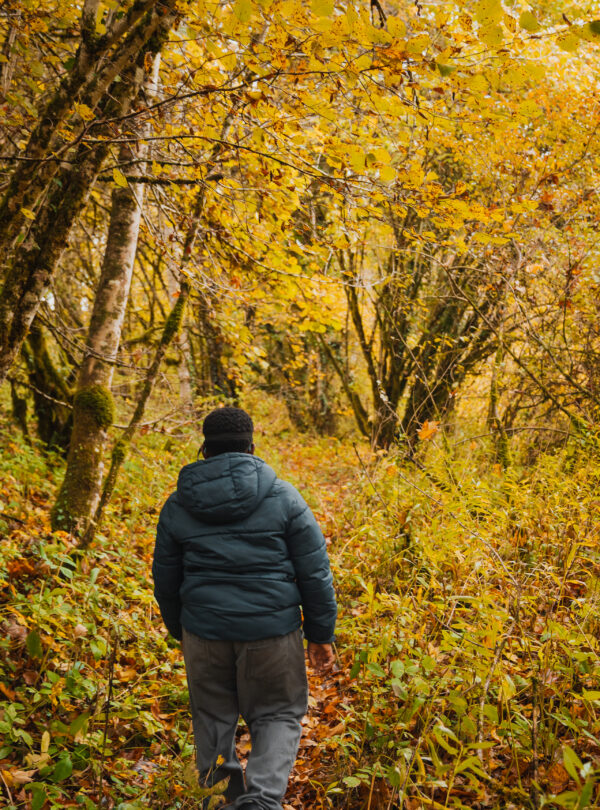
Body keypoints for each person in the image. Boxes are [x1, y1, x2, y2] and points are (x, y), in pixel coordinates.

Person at [152, 406, 337, 810]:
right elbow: (315, 573)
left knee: (213, 721)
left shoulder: (177, 505)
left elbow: (165, 579)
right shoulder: (284, 496)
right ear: (252, 445)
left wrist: (179, 629)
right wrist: (320, 635)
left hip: (203, 633)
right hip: (272, 634)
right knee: (276, 714)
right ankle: (263, 801)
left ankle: (222, 803)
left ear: (204, 449)